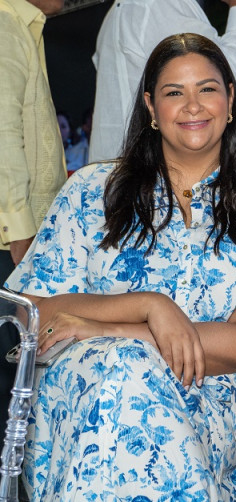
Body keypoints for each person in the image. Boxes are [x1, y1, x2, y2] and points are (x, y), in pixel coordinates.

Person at [5, 33, 236, 499]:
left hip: (209, 403)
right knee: (121, 374)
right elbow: (31, 311)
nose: (193, 105)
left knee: (128, 365)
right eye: (173, 92)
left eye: (207, 89)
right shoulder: (91, 191)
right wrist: (147, 304)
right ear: (150, 107)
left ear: (229, 100)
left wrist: (117, 331)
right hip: (84, 394)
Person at [0, 0, 67, 454]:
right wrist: (21, 238)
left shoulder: (21, 26)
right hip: (10, 247)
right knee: (10, 389)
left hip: (16, 244)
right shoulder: (4, 25)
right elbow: (2, 135)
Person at [88, 0, 236, 163]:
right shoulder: (162, 8)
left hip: (117, 170)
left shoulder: (120, 11)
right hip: (153, 176)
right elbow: (228, 77)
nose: (193, 106)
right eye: (175, 93)